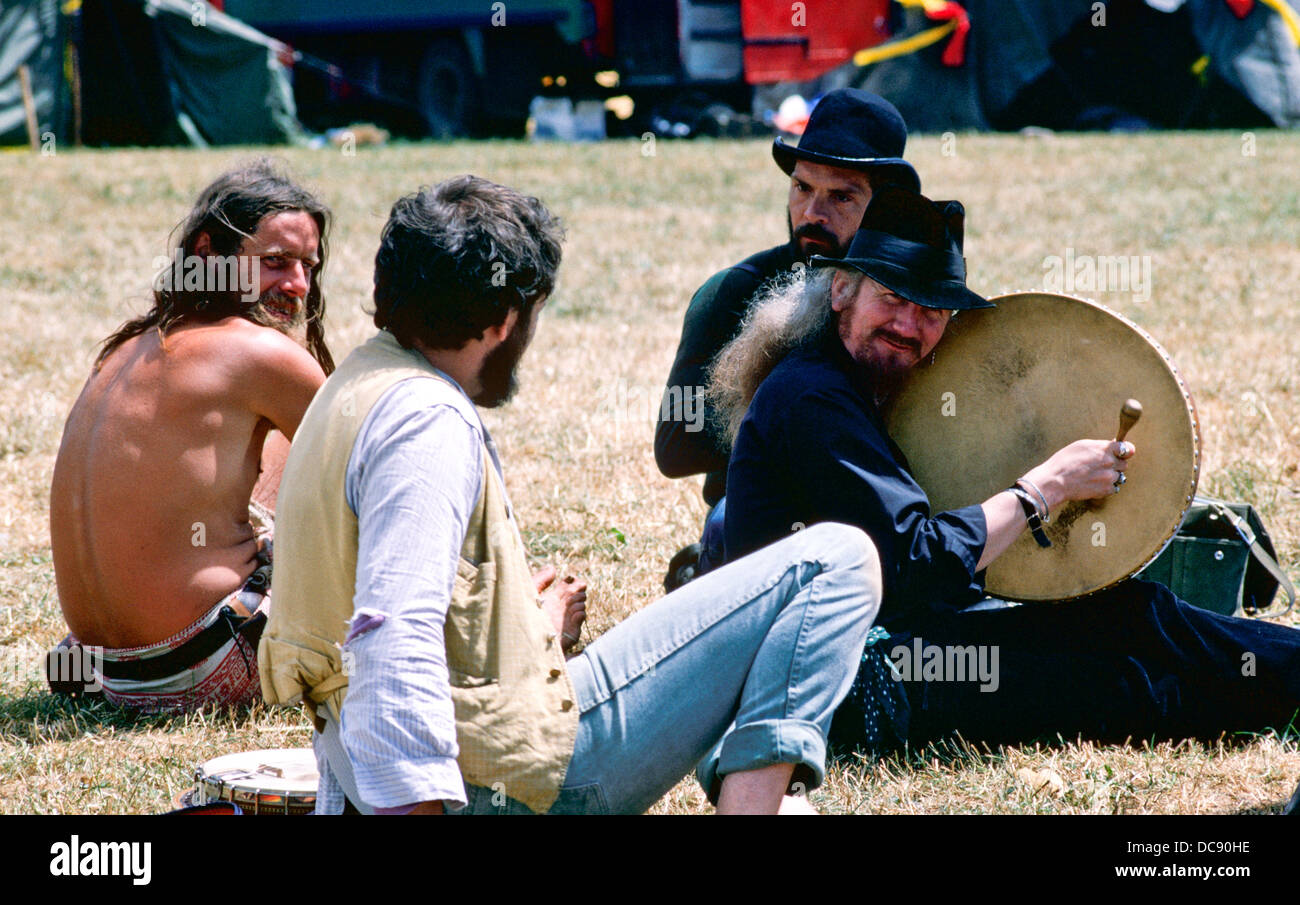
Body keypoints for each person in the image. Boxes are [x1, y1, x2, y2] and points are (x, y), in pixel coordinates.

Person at [258, 175, 884, 815]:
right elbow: (393, 638)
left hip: (450, 758)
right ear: (505, 320)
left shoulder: (362, 381)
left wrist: (527, 633)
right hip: (501, 789)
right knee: (837, 559)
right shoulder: (426, 422)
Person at [710, 184, 1300, 757]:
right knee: (1126, 676)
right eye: (892, 298)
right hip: (853, 680)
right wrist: (1046, 486)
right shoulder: (815, 401)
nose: (910, 325)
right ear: (841, 291)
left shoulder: (841, 381)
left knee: (1135, 615)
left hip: (886, 645)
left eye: (932, 310)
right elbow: (920, 563)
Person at [47, 160, 333, 712]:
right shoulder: (264, 355)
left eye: (306, 266)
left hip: (89, 672)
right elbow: (372, 488)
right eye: (274, 262)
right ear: (209, 254)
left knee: (275, 451)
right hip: (200, 668)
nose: (297, 285)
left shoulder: (127, 349)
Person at [654, 88, 921, 584]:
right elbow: (674, 447)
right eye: (802, 189)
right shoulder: (735, 293)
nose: (813, 213)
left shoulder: (914, 305)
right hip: (764, 525)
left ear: (887, 206)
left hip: (886, 514)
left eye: (841, 196)